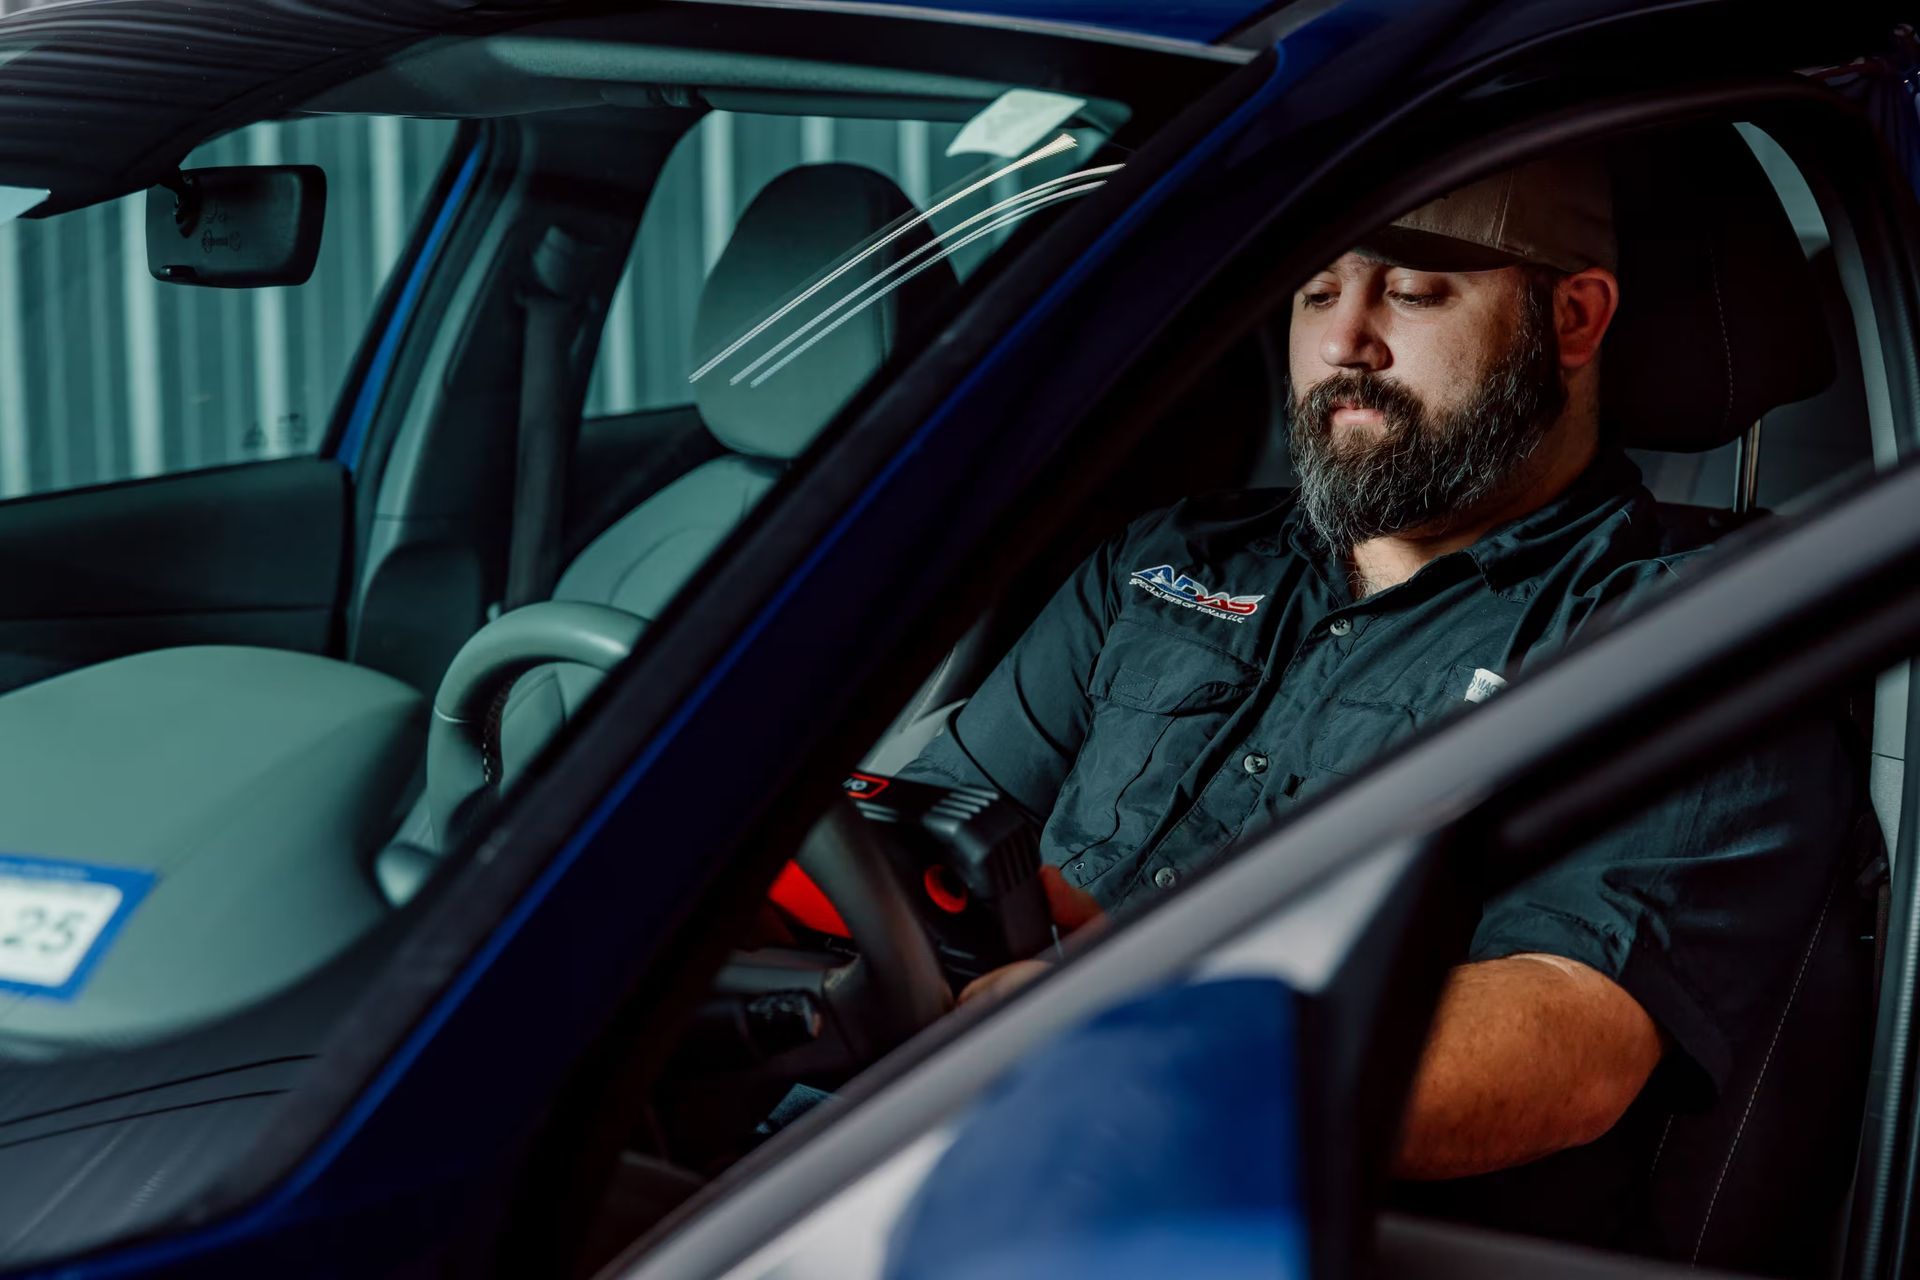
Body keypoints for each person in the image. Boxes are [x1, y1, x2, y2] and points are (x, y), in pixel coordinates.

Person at [897, 152, 1858, 1241]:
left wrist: (1118, 1050)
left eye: (1409, 290)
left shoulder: (1680, 635)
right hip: (941, 1160)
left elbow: (1567, 1031)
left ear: (1575, 319)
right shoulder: (1162, 558)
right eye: (1317, 291)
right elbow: (926, 839)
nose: (1345, 340)